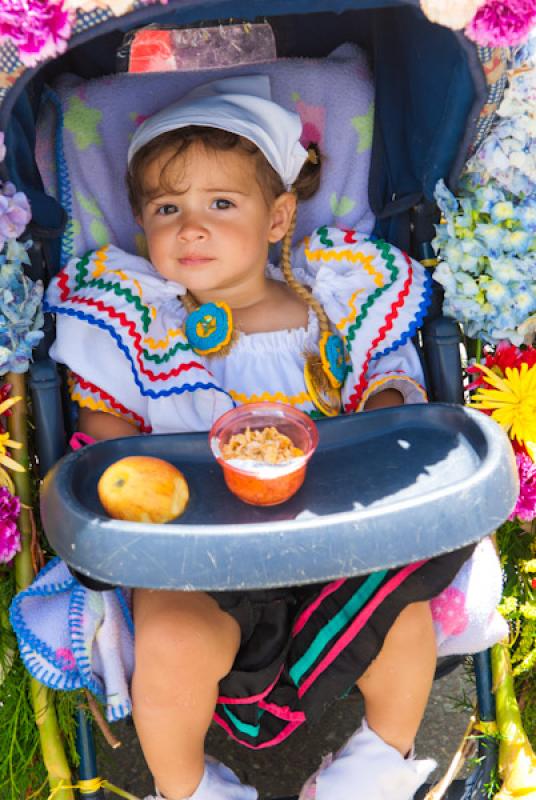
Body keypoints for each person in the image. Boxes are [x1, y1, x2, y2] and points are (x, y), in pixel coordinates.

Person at [27, 76, 503, 800]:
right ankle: (190, 788)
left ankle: (374, 767)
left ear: (279, 216)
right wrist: (111, 453)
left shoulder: (339, 295)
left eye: (221, 204)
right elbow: (105, 438)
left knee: (401, 616)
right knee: (171, 640)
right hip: (193, 554)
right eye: (166, 208)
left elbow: (398, 391)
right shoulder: (135, 319)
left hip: (341, 537)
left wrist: (379, 410)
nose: (191, 226)